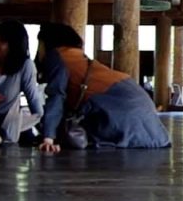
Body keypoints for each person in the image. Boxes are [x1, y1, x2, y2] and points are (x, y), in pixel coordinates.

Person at [36, 23, 170, 152]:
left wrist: (48, 138)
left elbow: (56, 96)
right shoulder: (77, 56)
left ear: (46, 42)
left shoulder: (57, 56)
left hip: (121, 108)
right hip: (152, 128)